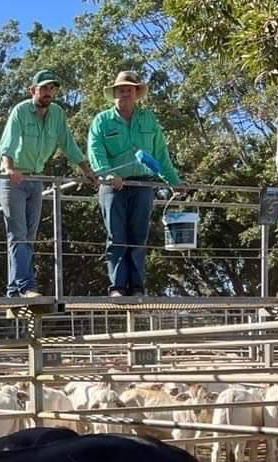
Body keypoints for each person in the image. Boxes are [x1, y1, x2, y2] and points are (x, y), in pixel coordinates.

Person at [0, 69, 98, 298]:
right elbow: (9, 142)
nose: (48, 93)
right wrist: (9, 168)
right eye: (43, 88)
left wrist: (87, 170)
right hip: (13, 179)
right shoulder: (21, 111)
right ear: (32, 90)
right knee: (18, 233)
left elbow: (68, 143)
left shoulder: (57, 114)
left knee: (28, 235)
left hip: (36, 179)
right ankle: (25, 286)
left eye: (52, 88)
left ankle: (16, 289)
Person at [87, 70, 185, 298]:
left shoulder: (148, 119)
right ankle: (118, 287)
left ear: (136, 93)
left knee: (139, 235)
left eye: (129, 89)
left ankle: (137, 286)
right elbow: (96, 152)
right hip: (113, 186)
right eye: (121, 90)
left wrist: (173, 181)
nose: (125, 93)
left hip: (143, 183)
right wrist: (109, 176)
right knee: (117, 235)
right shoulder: (102, 120)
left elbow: (160, 154)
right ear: (114, 94)